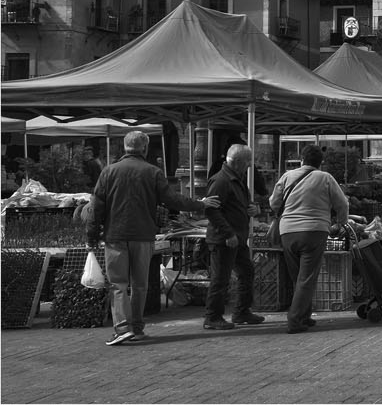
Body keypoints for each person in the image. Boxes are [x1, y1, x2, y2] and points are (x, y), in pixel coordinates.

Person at [89, 130, 221, 346]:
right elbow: (173, 200)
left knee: (118, 284)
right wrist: (200, 204)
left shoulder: (108, 172)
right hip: (143, 235)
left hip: (116, 235)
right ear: (145, 148)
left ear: (124, 147)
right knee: (140, 284)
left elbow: (96, 207)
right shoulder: (153, 172)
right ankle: (137, 327)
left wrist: (92, 234)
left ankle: (122, 328)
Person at [270, 145, 348, 335]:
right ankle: (295, 320)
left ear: (301, 159)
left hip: (287, 232)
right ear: (320, 162)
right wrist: (341, 223)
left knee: (297, 276)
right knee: (306, 278)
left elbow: (273, 202)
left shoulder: (287, 176)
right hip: (314, 231)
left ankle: (303, 315)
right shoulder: (325, 178)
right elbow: (342, 203)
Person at [202, 144, 264, 330]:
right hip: (225, 239)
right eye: (247, 163)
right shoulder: (221, 180)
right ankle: (212, 317)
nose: (248, 166)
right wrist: (228, 233)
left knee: (247, 272)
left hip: (238, 237)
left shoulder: (236, 179)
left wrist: (253, 208)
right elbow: (212, 209)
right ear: (237, 162)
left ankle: (241, 311)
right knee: (220, 279)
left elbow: (241, 202)